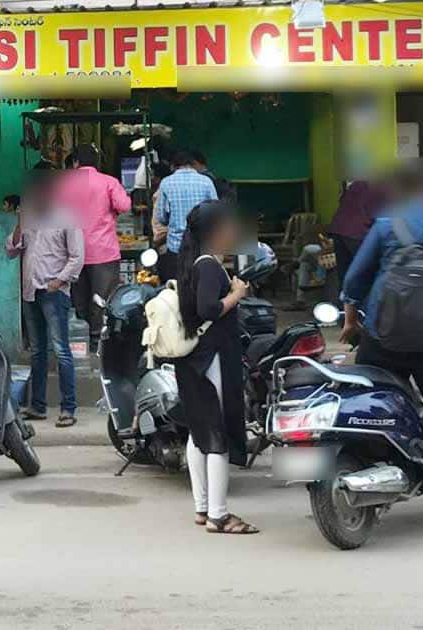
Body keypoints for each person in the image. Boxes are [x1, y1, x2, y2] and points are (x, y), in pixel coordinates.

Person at [341, 175, 423, 533]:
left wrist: (352, 319)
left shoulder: (387, 225)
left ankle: (363, 478)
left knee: (365, 405)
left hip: (380, 339)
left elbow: (354, 281)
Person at [176, 201, 258, 534]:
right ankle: (219, 515)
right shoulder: (209, 266)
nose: (232, 232)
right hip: (210, 360)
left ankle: (202, 508)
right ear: (214, 232)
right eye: (227, 226)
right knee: (217, 437)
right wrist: (237, 293)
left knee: (199, 434)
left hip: (193, 360)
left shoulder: (192, 262)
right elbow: (209, 309)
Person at [6, 183, 85, 427]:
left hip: (54, 292)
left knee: (61, 351)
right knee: (37, 351)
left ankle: (68, 408)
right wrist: (19, 222)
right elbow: (11, 249)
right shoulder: (29, 218)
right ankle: (37, 406)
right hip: (31, 292)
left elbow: (77, 256)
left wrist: (58, 281)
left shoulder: (67, 218)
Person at [54, 143, 131, 351]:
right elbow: (124, 206)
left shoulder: (64, 183)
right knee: (102, 299)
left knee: (79, 298)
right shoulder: (109, 182)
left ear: (76, 162)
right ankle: (98, 341)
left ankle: (81, 340)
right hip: (103, 251)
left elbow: (55, 212)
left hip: (73, 252)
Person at [154, 151, 219, 282]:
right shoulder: (206, 182)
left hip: (176, 247)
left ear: (173, 166)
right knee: (200, 285)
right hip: (202, 246)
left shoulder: (166, 183)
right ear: (192, 165)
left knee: (178, 287)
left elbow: (161, 217)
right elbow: (216, 213)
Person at [328, 180, 386, 289]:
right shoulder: (386, 187)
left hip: (339, 229)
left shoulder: (359, 182)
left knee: (345, 277)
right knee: (367, 277)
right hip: (358, 232)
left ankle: (344, 303)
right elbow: (387, 219)